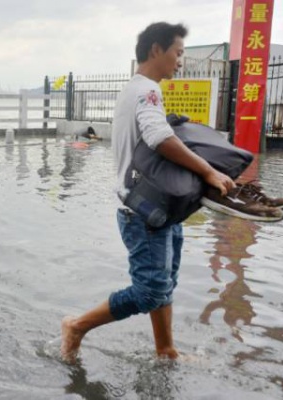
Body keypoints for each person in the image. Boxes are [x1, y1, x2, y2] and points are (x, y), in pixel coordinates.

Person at [60, 22, 236, 362]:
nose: (180, 61)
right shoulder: (147, 91)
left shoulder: (137, 89)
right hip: (143, 212)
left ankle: (166, 349)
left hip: (159, 206)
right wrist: (209, 170)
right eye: (178, 53)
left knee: (163, 284)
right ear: (156, 49)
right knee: (150, 290)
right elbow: (159, 137)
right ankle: (77, 326)